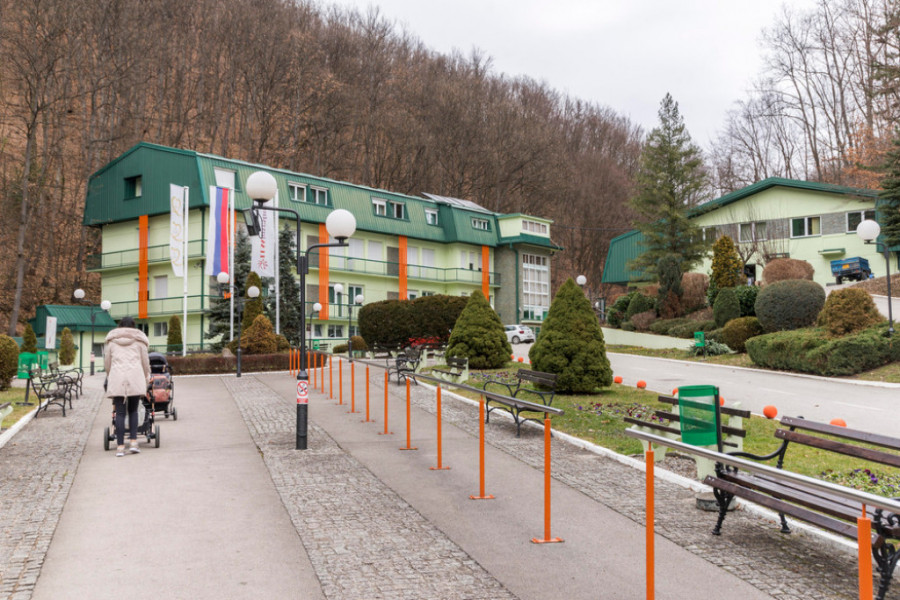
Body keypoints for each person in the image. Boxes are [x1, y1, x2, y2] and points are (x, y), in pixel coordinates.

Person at [103, 316, 150, 457]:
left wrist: (110, 374)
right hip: (135, 377)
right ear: (133, 327)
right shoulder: (140, 342)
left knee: (120, 413)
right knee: (134, 411)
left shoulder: (111, 343)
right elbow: (145, 362)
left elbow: (107, 363)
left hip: (117, 378)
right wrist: (146, 376)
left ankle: (120, 447)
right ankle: (134, 442)